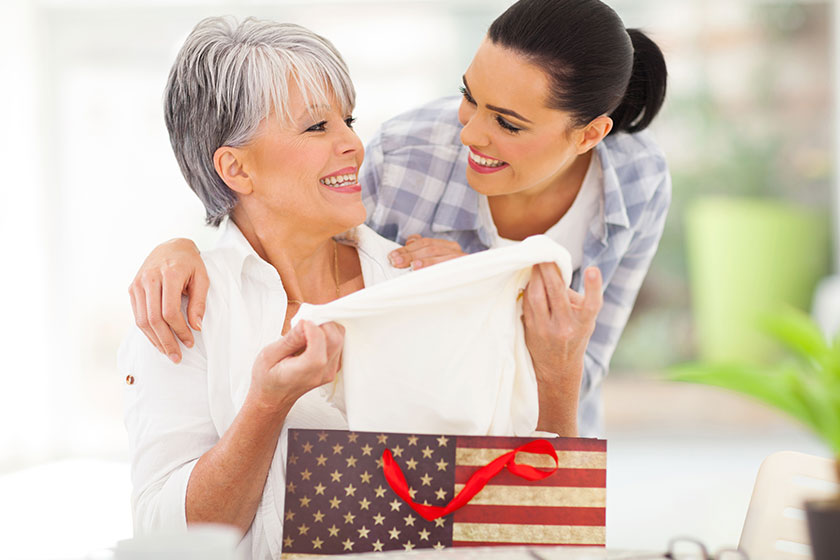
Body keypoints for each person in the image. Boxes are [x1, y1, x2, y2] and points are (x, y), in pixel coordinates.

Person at [121, 15, 593, 559]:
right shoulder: (182, 307)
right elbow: (163, 543)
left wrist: (558, 375)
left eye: (347, 120)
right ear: (236, 168)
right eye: (317, 127)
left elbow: (549, 528)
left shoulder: (424, 285)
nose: (354, 144)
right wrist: (265, 409)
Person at [128, 0, 669, 436]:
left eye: (506, 122)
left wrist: (483, 291)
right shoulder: (409, 155)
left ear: (590, 134)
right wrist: (185, 244)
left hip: (550, 431)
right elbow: (295, 224)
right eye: (468, 95)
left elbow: (582, 369)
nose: (470, 133)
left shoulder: (638, 185)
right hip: (411, 457)